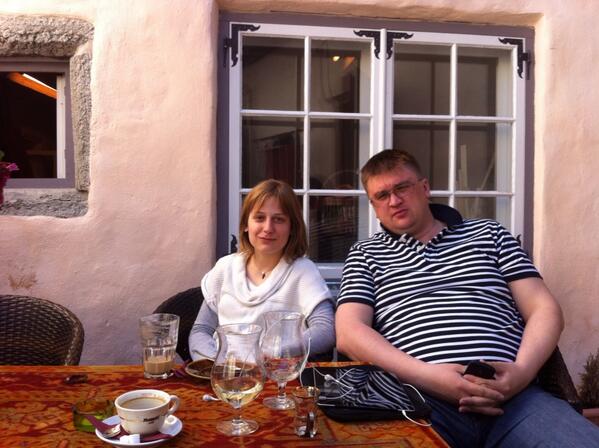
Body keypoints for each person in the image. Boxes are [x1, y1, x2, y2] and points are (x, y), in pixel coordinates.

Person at [335, 149, 599, 447]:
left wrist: (522, 373)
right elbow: (349, 333)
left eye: (402, 188)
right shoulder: (365, 254)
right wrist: (429, 377)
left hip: (515, 400)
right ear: (373, 206)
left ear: (424, 188)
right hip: (419, 402)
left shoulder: (489, 233)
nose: (394, 201)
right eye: (382, 195)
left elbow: (544, 309)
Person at [189, 179, 335, 360]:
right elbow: (201, 330)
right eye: (259, 218)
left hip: (277, 373)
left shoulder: (303, 272)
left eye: (279, 219)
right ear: (245, 224)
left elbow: (325, 330)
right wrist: (215, 363)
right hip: (224, 373)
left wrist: (274, 354)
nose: (268, 228)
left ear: (292, 227)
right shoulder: (225, 268)